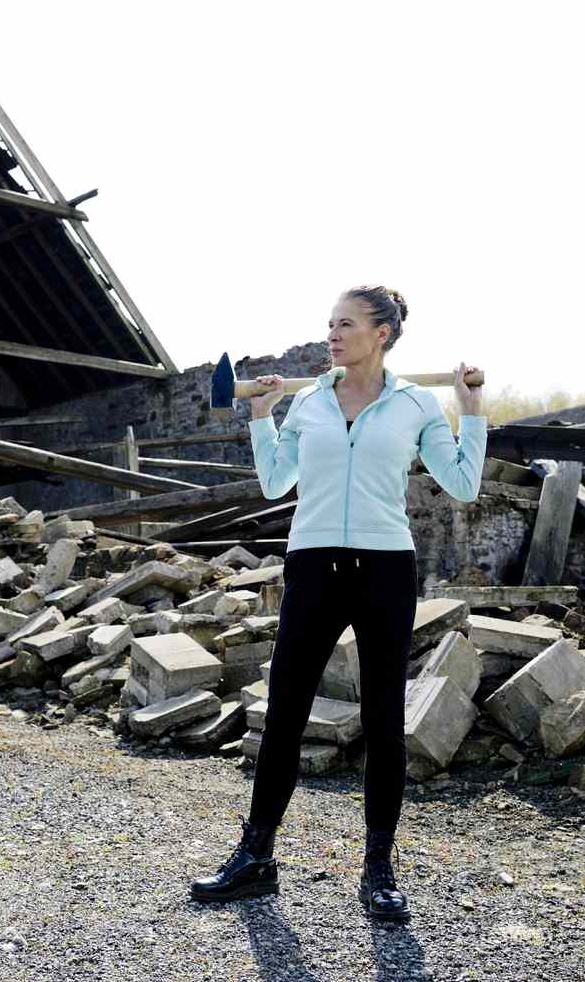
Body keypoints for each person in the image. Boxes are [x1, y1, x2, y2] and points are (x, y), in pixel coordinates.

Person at [189, 285, 486, 920]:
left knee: (382, 717)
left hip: (384, 569)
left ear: (381, 333)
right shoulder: (308, 402)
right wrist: (262, 415)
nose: (332, 334)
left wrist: (471, 409)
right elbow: (276, 481)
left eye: (345, 324)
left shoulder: (415, 406)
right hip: (313, 564)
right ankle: (255, 857)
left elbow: (462, 484)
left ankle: (379, 868)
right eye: (329, 324)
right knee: (286, 709)